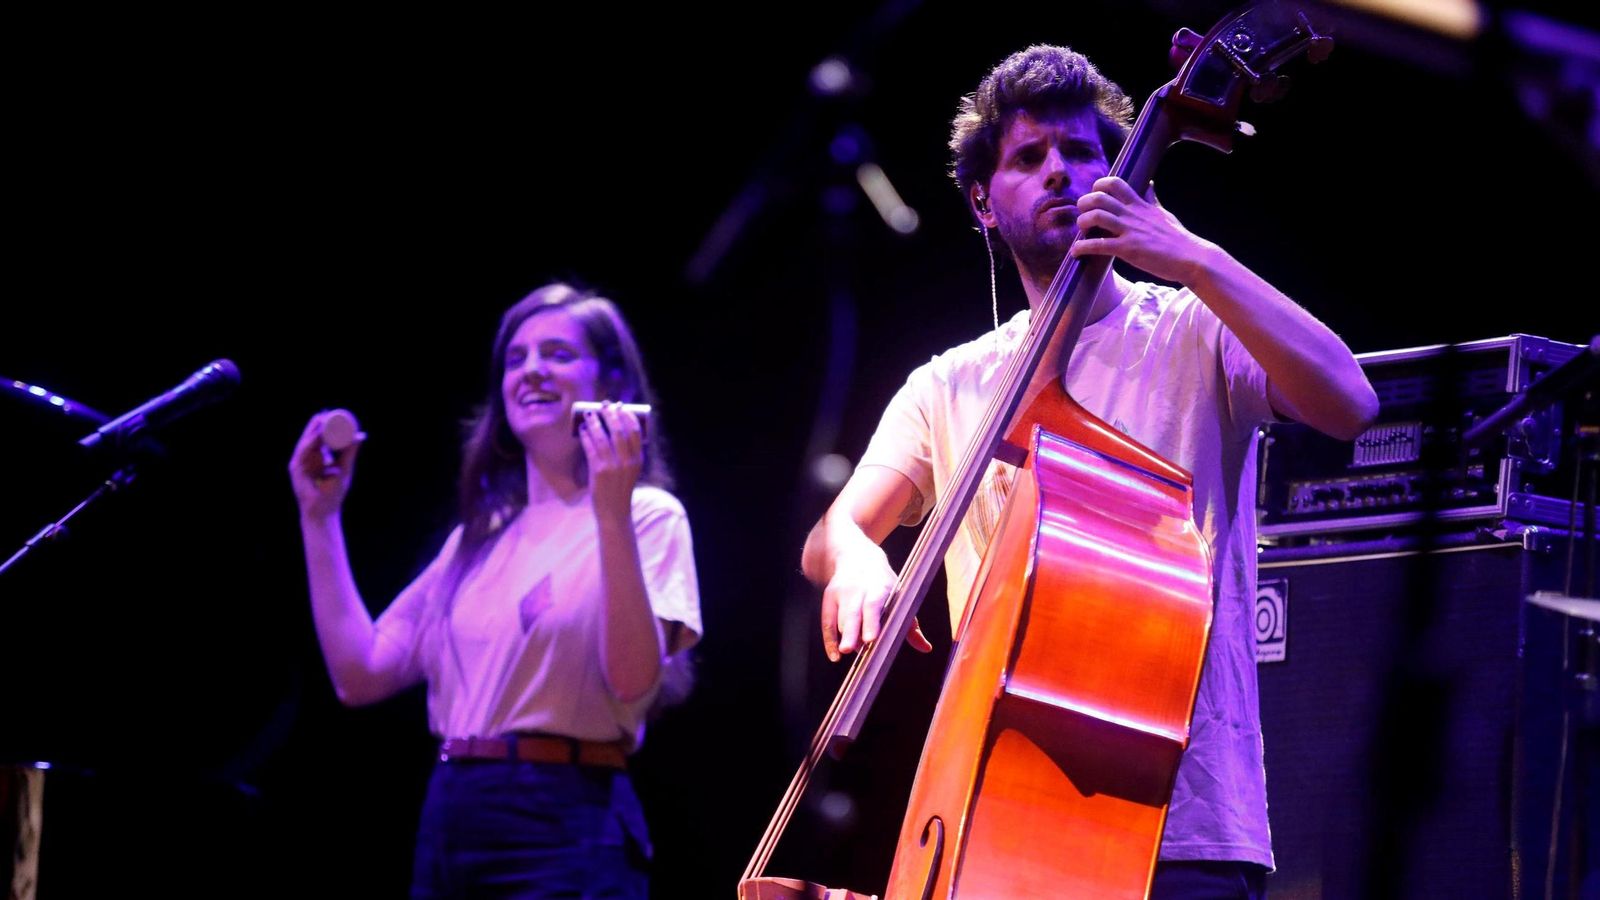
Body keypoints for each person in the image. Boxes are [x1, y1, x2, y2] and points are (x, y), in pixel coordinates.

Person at [802, 45, 1378, 898]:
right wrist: (855, 557)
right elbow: (834, 532)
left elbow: (1349, 401)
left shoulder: (1192, 332)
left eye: (1080, 151)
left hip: (1183, 826)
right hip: (992, 828)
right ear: (982, 202)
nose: (1059, 172)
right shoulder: (948, 385)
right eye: (1028, 157)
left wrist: (1193, 257)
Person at [289, 282, 701, 899]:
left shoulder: (647, 516)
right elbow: (361, 672)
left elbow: (632, 680)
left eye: (558, 354)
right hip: (452, 811)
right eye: (516, 358)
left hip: (566, 818)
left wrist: (610, 512)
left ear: (610, 380)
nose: (531, 370)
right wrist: (319, 517)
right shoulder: (476, 541)